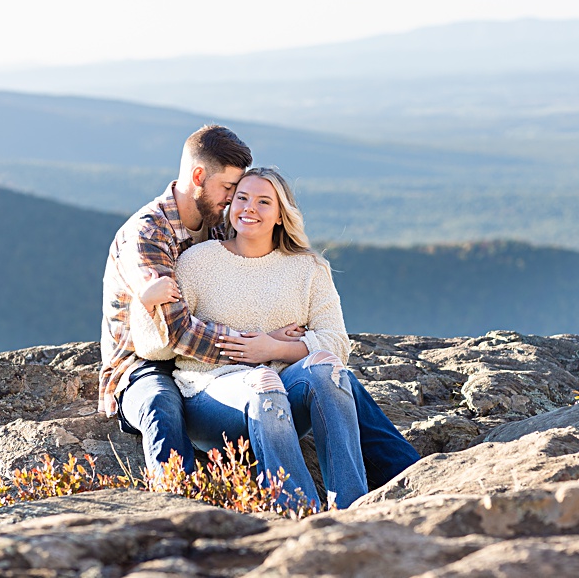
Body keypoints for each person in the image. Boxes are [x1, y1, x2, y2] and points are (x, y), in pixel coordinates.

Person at [132, 166, 419, 510]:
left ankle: (349, 508)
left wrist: (273, 348)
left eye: (263, 201)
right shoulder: (196, 262)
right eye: (242, 198)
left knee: (328, 369)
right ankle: (299, 512)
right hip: (210, 396)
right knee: (265, 379)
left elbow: (337, 343)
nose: (249, 208)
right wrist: (145, 302)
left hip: (285, 391)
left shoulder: (308, 268)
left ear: (281, 215)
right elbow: (156, 346)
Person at [99, 124, 254, 475]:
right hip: (144, 363)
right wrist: (253, 347)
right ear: (198, 175)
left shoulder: (220, 225)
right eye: (228, 187)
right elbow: (177, 331)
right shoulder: (148, 233)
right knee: (161, 405)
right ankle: (178, 508)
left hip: (203, 363)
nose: (232, 198)